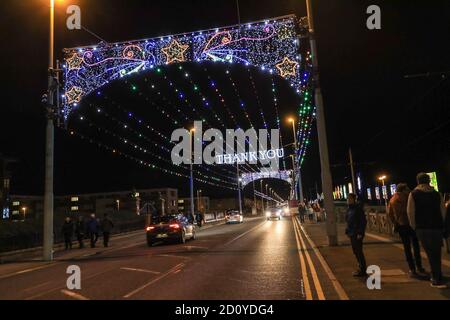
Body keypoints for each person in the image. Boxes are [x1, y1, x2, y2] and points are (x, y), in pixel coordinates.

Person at [407, 173, 447, 288]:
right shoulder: (436, 194)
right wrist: (441, 223)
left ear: (418, 181)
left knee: (429, 252)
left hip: (422, 228)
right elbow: (442, 211)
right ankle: (438, 274)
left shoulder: (413, 194)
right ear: (429, 181)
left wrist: (414, 226)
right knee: (436, 252)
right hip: (437, 227)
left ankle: (435, 277)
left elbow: (410, 212)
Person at [388, 183, 425, 277]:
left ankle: (412, 269)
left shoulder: (392, 199)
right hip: (411, 224)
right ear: (403, 190)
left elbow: (390, 214)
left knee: (406, 247)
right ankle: (419, 266)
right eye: (407, 189)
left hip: (401, 226)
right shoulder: (409, 197)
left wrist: (395, 222)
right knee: (416, 245)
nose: (409, 190)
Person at [345, 193, 367, 277]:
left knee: (359, 251)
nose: (348, 200)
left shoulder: (358, 209)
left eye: (350, 199)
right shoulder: (349, 209)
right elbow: (348, 221)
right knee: (355, 251)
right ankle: (360, 268)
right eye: (348, 199)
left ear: (354, 200)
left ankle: (363, 270)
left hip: (357, 233)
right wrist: (347, 230)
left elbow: (363, 221)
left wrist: (360, 233)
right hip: (351, 233)